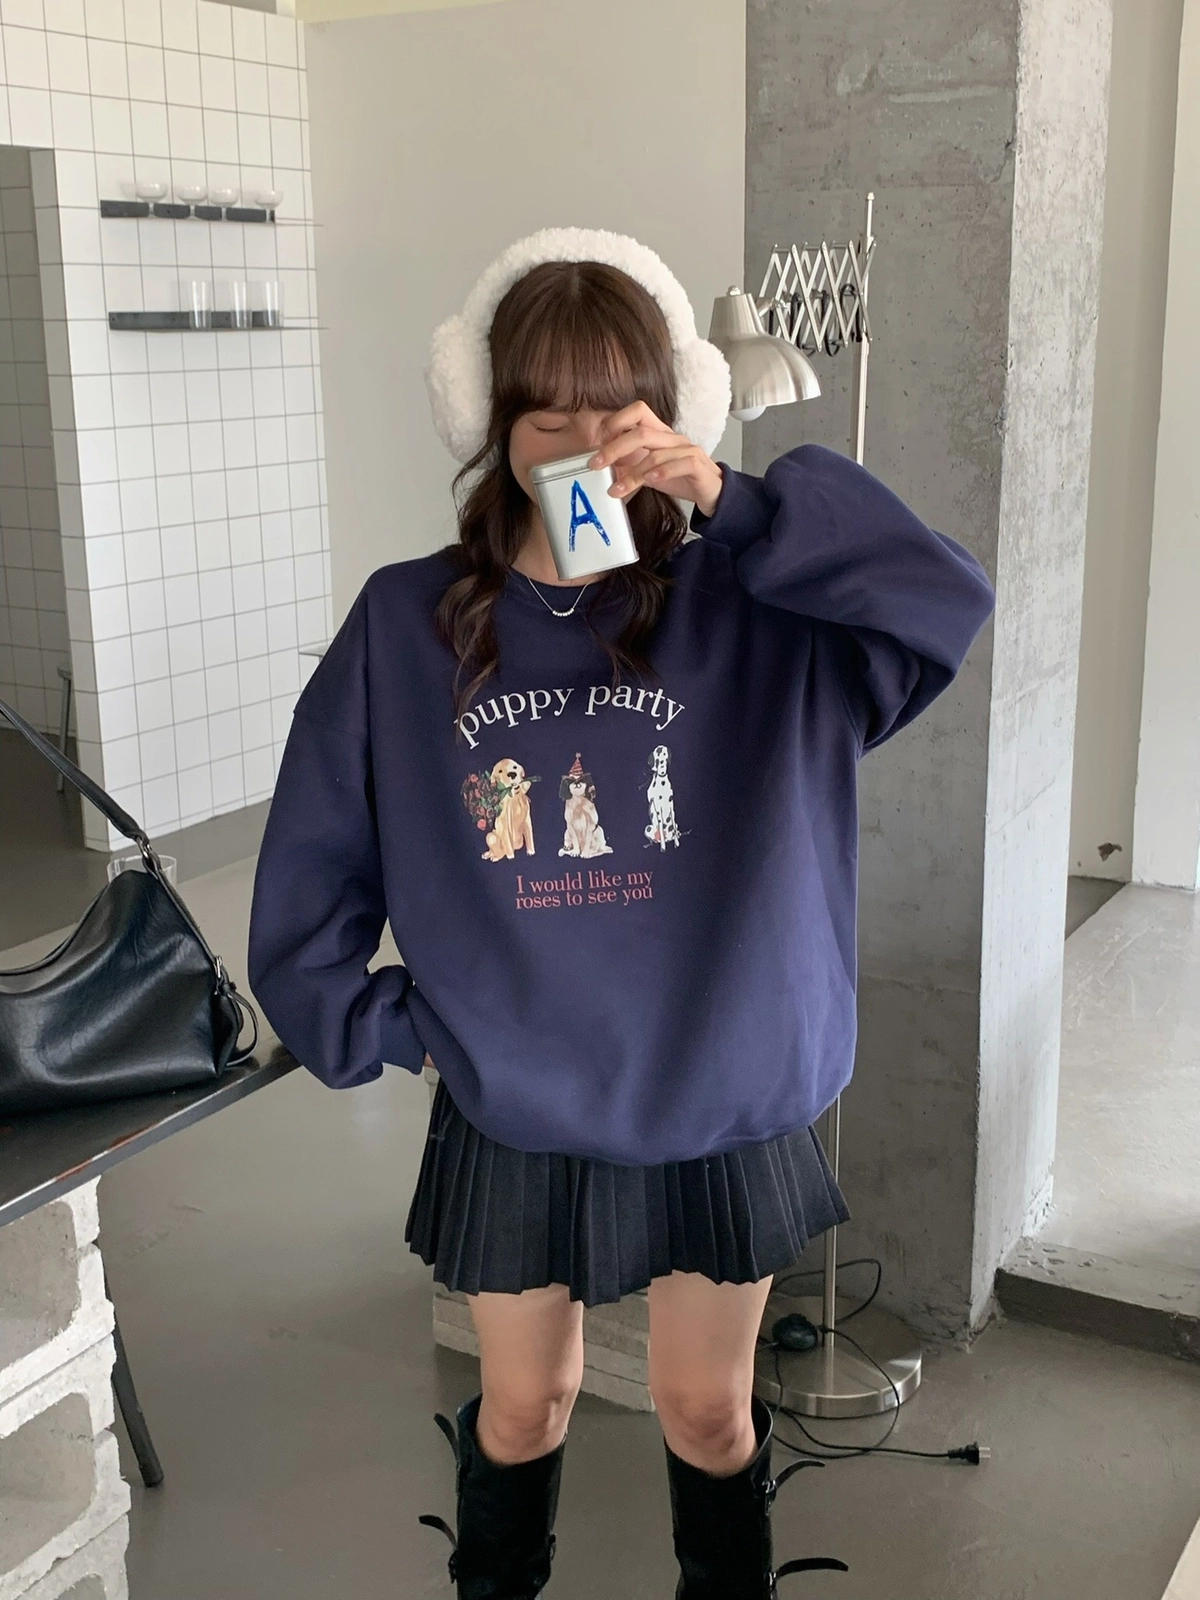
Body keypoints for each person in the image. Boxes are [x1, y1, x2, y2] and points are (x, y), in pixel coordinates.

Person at [246, 227, 996, 1599]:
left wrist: (739, 503)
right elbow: (311, 866)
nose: (587, 444)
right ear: (487, 425)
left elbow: (943, 598)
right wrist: (399, 1025)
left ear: (675, 411)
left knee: (707, 1413)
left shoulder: (758, 610)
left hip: (721, 1083)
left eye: (621, 410)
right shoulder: (411, 625)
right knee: (522, 1407)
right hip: (517, 1095)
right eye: (548, 412)